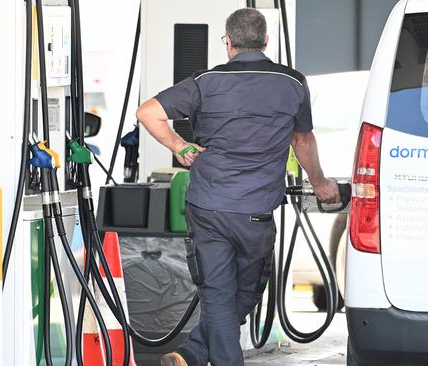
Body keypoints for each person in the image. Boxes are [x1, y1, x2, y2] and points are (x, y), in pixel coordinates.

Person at [136, 8, 340, 366]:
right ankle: (205, 357)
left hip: (209, 209)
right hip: (255, 215)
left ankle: (192, 354)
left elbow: (148, 112)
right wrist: (321, 183)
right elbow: (302, 140)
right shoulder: (292, 82)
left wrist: (179, 147)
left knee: (226, 298)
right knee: (235, 297)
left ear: (228, 43)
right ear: (265, 41)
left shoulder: (204, 81)